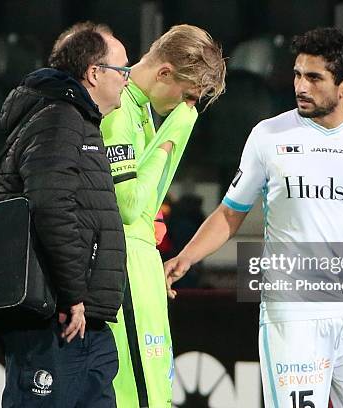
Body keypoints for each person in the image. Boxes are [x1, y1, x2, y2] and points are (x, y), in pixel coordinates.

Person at [165, 27, 343, 408]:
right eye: (297, 74)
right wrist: (185, 258)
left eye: (314, 77)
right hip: (292, 318)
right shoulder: (268, 136)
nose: (301, 86)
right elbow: (229, 213)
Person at [0, 22, 128, 407]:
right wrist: (73, 296)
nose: (127, 81)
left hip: (84, 320)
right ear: (94, 73)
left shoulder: (76, 121)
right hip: (58, 318)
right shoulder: (60, 118)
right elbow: (50, 206)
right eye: (123, 70)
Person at [100, 24, 226, 408]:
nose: (187, 106)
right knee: (138, 395)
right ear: (165, 73)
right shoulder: (119, 111)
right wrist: (170, 140)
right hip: (124, 267)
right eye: (187, 96)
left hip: (142, 266)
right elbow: (128, 205)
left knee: (155, 391)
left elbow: (146, 204)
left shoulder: (140, 111)